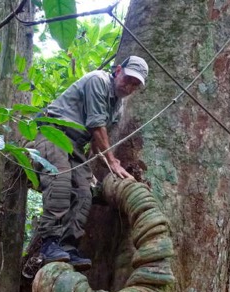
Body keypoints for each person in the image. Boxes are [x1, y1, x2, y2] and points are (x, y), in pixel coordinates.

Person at [33, 55, 149, 271]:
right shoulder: (98, 80)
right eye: (128, 79)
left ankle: (67, 247)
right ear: (117, 71)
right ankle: (49, 244)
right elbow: (97, 127)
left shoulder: (118, 106)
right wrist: (113, 162)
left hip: (75, 145)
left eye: (135, 84)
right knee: (60, 180)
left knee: (84, 193)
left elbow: (97, 143)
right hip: (52, 133)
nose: (129, 86)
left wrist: (105, 168)